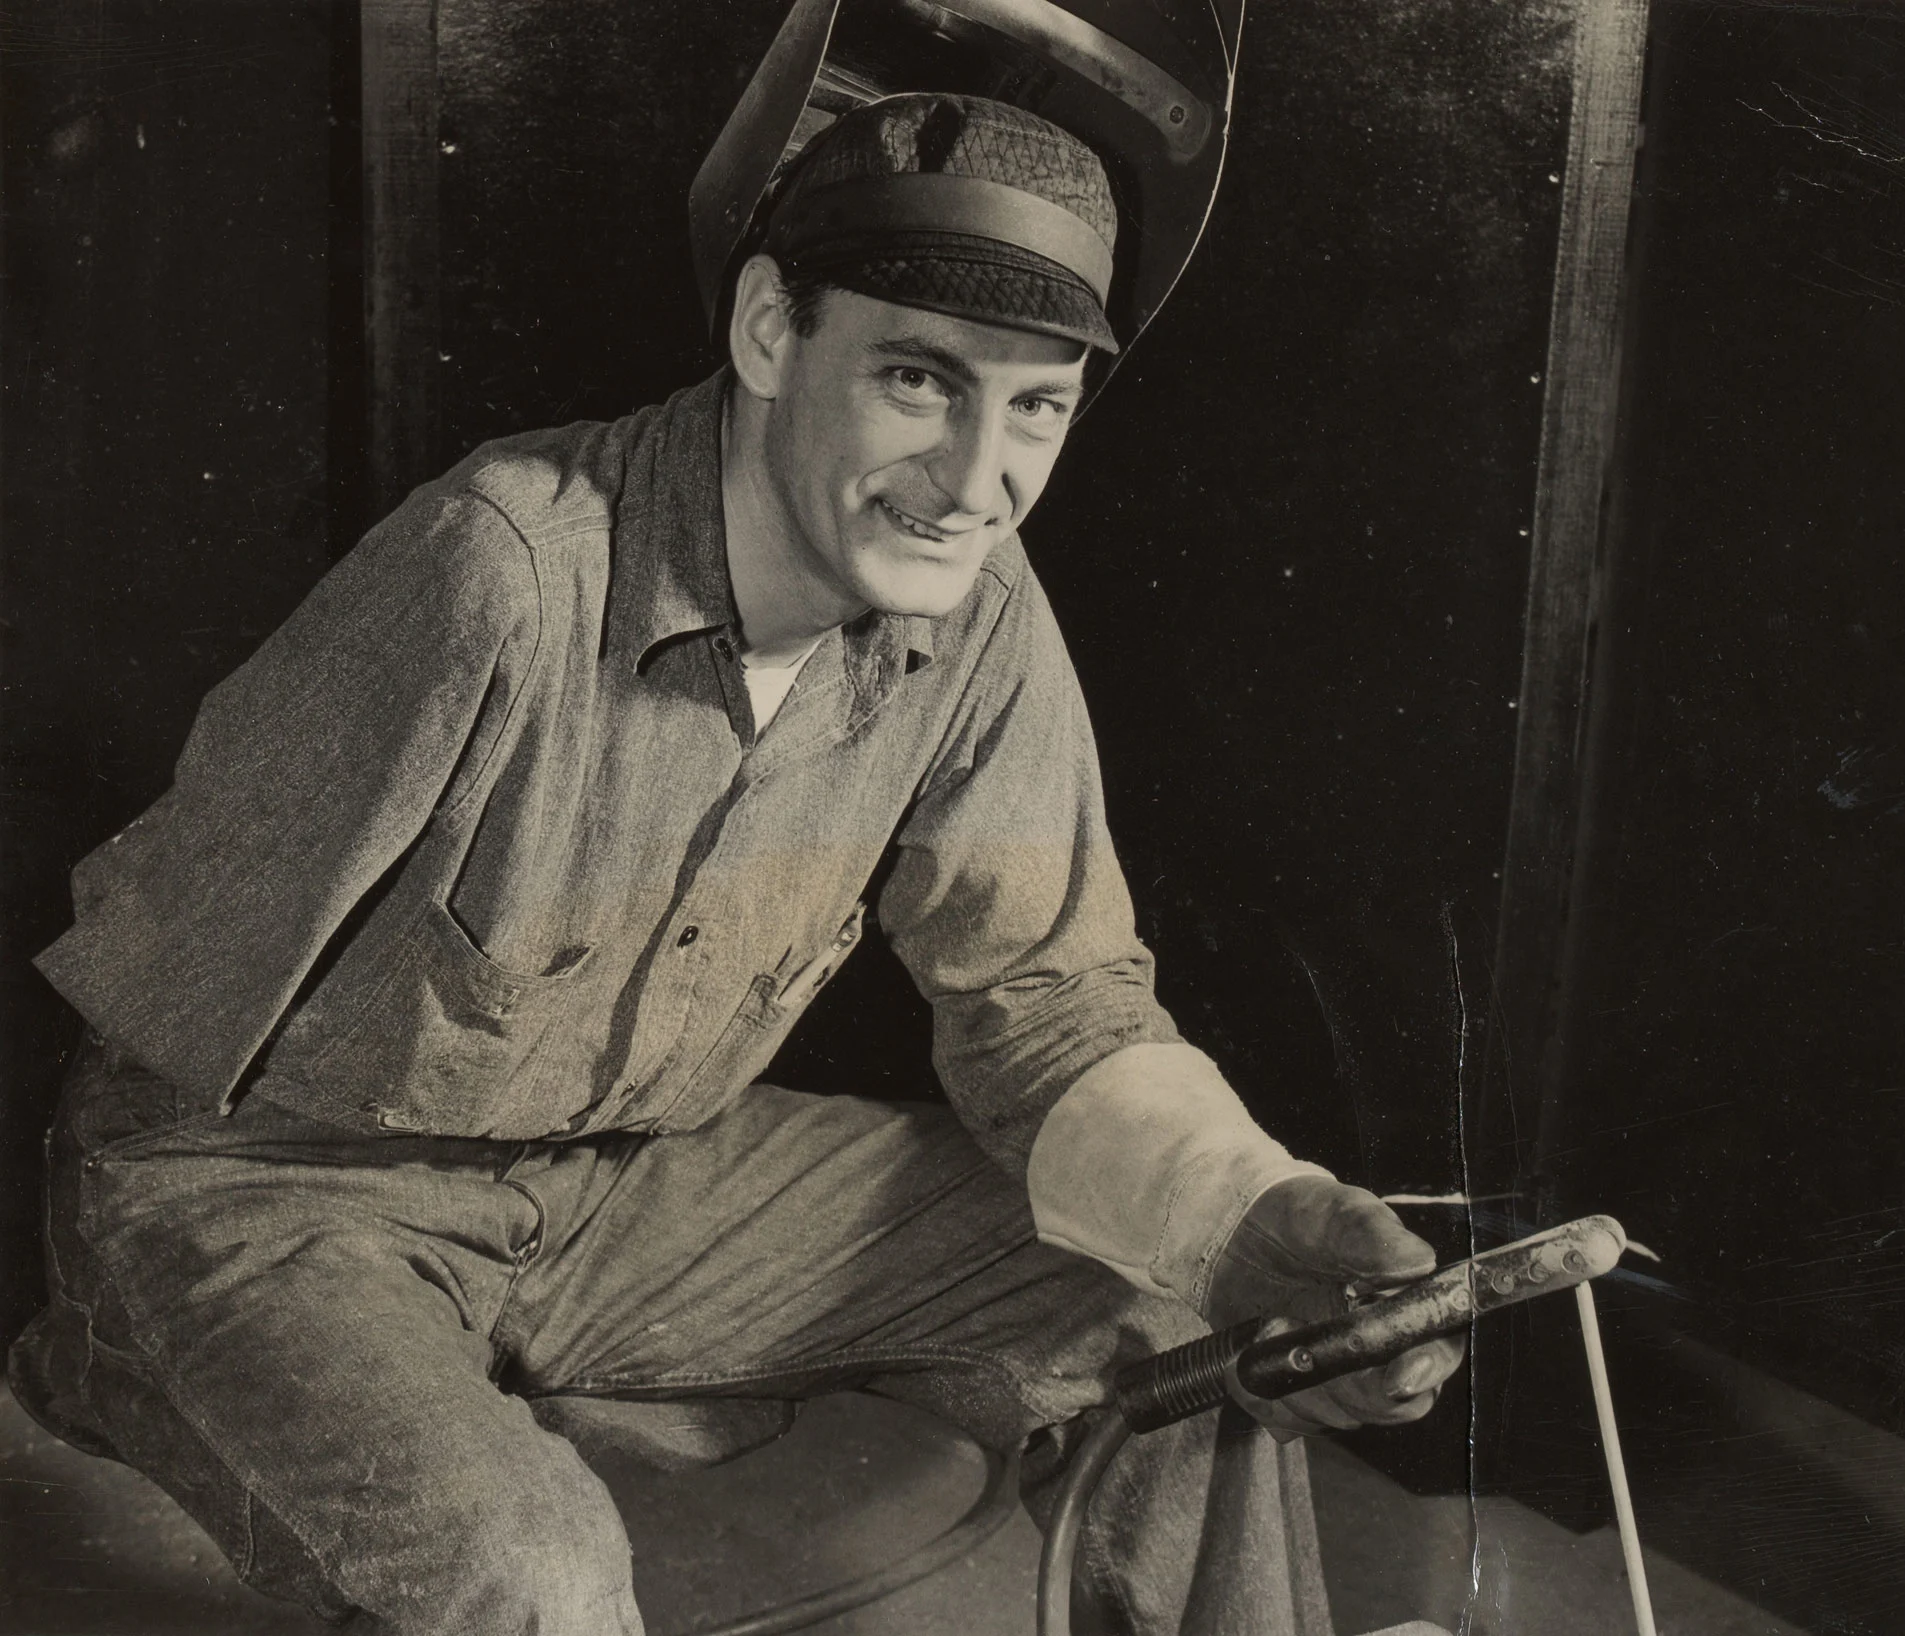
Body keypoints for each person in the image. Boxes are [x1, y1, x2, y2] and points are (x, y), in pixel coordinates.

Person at [10, 90, 1462, 1633]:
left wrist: (1244, 1212)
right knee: (529, 1568)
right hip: (275, 1189)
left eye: (1036, 406)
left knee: (1176, 1306)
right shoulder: (498, 569)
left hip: (624, 1180)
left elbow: (1048, 1000)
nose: (977, 478)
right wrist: (224, 1331)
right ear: (772, 329)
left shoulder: (979, 616)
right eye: (920, 379)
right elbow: (151, 1022)